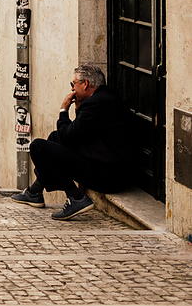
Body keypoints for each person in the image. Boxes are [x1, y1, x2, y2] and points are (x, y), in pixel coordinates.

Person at [10, 64, 134, 221]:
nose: (72, 89)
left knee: (38, 147)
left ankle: (75, 197)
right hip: (108, 164)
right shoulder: (104, 98)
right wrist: (78, 108)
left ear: (85, 84)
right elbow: (79, 132)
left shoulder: (96, 104)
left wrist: (63, 111)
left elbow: (69, 136)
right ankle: (35, 191)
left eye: (73, 84)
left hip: (107, 176)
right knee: (55, 137)